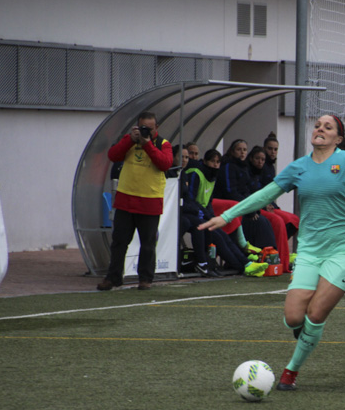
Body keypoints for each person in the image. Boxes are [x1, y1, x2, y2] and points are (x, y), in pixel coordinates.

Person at [199, 115, 345, 391]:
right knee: (294, 318)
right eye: (318, 125)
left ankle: (290, 372)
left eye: (327, 127)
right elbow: (266, 193)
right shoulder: (299, 167)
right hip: (309, 251)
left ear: (338, 139)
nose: (320, 129)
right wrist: (228, 215)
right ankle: (304, 330)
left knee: (316, 313)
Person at [98, 111, 173, 291]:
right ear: (137, 126)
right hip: (126, 199)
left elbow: (165, 164)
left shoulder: (163, 144)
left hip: (150, 200)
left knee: (147, 244)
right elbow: (113, 155)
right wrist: (130, 140)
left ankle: (145, 279)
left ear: (157, 128)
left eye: (150, 128)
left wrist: (147, 144)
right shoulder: (129, 140)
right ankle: (113, 277)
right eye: (143, 127)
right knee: (119, 242)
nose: (146, 131)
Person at [182, 149, 268, 277]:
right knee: (219, 237)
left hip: (201, 214)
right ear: (205, 161)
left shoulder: (212, 176)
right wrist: (205, 214)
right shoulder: (196, 174)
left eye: (218, 162)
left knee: (224, 236)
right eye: (212, 161)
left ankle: (246, 263)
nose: (216, 165)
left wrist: (210, 215)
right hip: (192, 213)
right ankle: (243, 266)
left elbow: (208, 200)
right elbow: (191, 199)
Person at [214, 139, 278, 251]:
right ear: (232, 151)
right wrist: (249, 208)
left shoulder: (243, 167)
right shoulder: (228, 166)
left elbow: (247, 191)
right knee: (260, 222)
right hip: (230, 207)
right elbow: (230, 192)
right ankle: (256, 253)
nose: (242, 152)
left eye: (244, 150)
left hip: (242, 205)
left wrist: (254, 206)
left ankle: (268, 252)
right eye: (239, 150)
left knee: (264, 221)